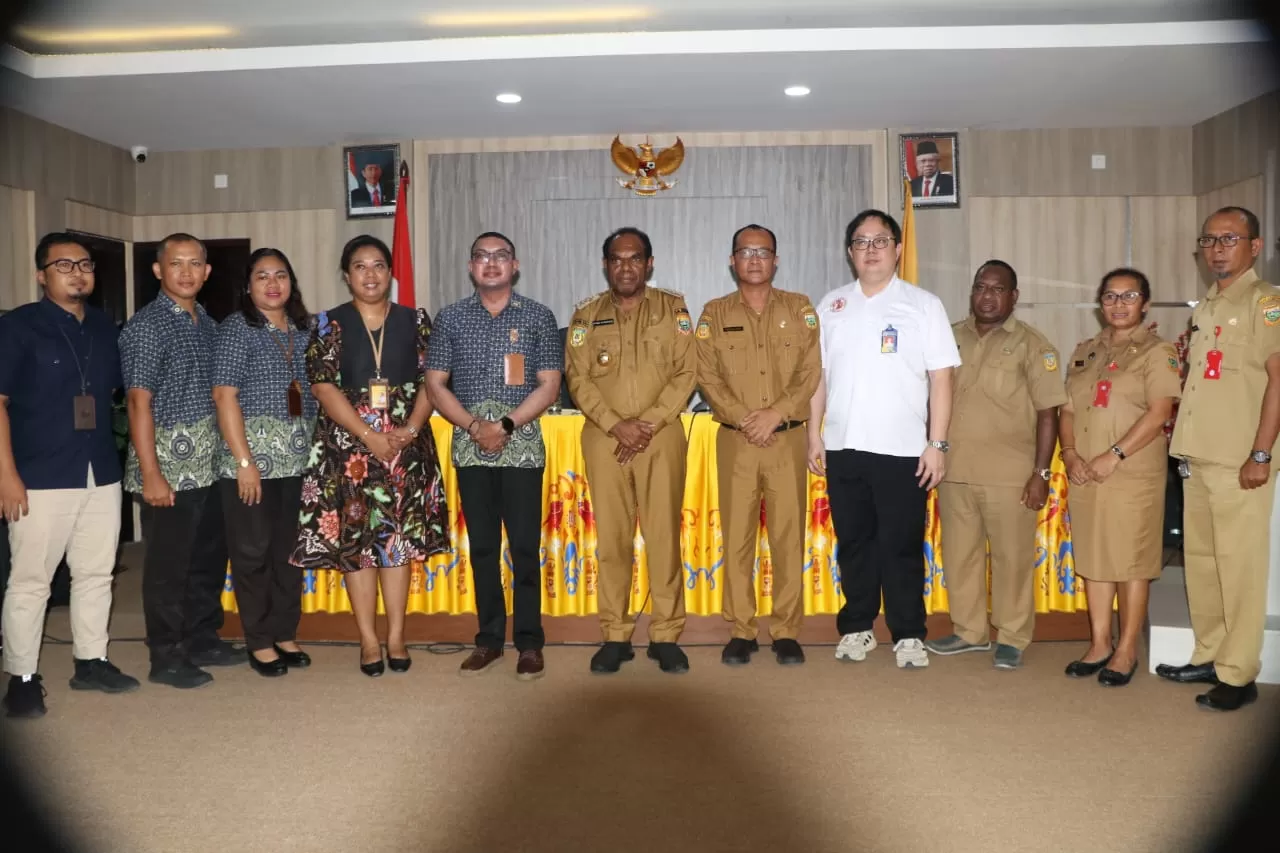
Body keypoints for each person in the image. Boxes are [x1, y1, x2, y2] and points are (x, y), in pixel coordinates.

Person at [291, 235, 449, 676]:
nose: (371, 274)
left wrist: (410, 429)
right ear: (347, 275)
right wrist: (368, 435)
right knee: (358, 546)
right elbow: (322, 387)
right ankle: (366, 639)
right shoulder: (326, 323)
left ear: (390, 272)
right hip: (348, 448)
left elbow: (431, 382)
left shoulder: (415, 319)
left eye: (378, 265)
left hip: (406, 444)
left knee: (396, 544)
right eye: (360, 266)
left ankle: (396, 636)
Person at [809, 209, 960, 669]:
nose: (871, 249)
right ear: (849, 252)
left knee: (901, 544)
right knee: (854, 542)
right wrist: (814, 436)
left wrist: (938, 444)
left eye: (880, 240)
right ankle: (857, 627)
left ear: (897, 248)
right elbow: (818, 376)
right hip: (843, 447)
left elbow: (942, 378)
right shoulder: (830, 306)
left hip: (903, 451)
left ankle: (909, 632)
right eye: (861, 241)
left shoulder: (923, 304)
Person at [0, 233, 139, 718]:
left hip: (99, 472)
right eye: (63, 264)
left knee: (96, 574)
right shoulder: (17, 327)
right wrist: (6, 477)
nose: (77, 272)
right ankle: (20, 676)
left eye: (84, 264)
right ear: (42, 275)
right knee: (31, 581)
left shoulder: (104, 328)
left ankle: (92, 661)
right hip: (39, 474)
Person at [426, 232, 562, 680]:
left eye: (500, 256)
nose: (490, 264)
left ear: (515, 265)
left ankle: (529, 642)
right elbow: (435, 384)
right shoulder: (450, 318)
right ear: (470, 267)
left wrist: (503, 427)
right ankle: (488, 640)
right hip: (469, 445)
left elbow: (549, 384)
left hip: (520, 446)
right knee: (483, 548)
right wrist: (473, 427)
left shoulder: (539, 317)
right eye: (481, 257)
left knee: (524, 548)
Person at [1161, 206, 1280, 711]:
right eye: (1209, 240)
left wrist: (1261, 453)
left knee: (1239, 570)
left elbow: (1278, 379)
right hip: (1199, 458)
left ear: (1254, 246)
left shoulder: (1266, 301)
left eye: (1229, 239)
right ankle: (1209, 654)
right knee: (1204, 566)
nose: (1217, 248)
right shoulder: (1207, 305)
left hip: (1240, 464)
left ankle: (1238, 674)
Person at [565, 227, 697, 675]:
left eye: (635, 258)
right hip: (605, 438)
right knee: (613, 540)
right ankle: (615, 635)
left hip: (661, 437)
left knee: (663, 536)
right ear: (605, 265)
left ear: (649, 263)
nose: (626, 267)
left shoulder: (673, 310)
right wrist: (616, 425)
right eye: (617, 259)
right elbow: (577, 378)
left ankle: (665, 635)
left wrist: (649, 422)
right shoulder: (586, 316)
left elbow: (687, 372)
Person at [926, 260, 1066, 670]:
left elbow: (1048, 414)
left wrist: (1041, 474)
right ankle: (968, 631)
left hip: (1010, 475)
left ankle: (1012, 635)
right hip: (954, 471)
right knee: (960, 556)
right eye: (979, 287)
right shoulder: (948, 337)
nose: (986, 296)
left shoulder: (1033, 345)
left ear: (1014, 296)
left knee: (1011, 559)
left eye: (997, 289)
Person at [694, 224, 821, 667]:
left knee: (788, 537)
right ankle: (742, 629)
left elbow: (810, 372)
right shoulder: (713, 313)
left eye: (762, 251)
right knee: (738, 537)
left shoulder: (801, 308)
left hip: (786, 439)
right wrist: (746, 420)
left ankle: (786, 629)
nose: (753, 259)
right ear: (732, 261)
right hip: (737, 441)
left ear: (776, 259)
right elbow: (706, 375)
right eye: (744, 252)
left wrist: (776, 413)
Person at [121, 232, 242, 689]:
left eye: (195, 264)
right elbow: (138, 403)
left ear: (207, 272)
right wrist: (151, 473)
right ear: (158, 270)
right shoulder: (146, 327)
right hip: (168, 468)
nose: (187, 272)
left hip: (210, 465)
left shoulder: (210, 324)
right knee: (169, 566)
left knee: (207, 558)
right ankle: (166, 655)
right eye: (177, 264)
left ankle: (201, 636)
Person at [1059, 268, 1180, 687]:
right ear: (1100, 303)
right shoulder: (1084, 352)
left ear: (1145, 304)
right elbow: (1069, 410)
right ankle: (1098, 642)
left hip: (1132, 475)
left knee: (1131, 561)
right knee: (1094, 558)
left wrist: (1115, 455)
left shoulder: (1157, 352)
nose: (1119, 304)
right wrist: (1070, 454)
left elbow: (1159, 412)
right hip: (1085, 473)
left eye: (1129, 296)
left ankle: (1126, 648)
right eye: (1110, 296)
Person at [212, 249, 317, 678]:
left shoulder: (303, 330)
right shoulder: (237, 328)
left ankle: (284, 631)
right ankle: (258, 639)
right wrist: (243, 461)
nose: (273, 284)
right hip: (251, 462)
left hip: (297, 462)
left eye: (281, 275)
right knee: (252, 552)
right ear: (247, 286)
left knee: (288, 553)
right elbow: (224, 395)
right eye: (262, 276)